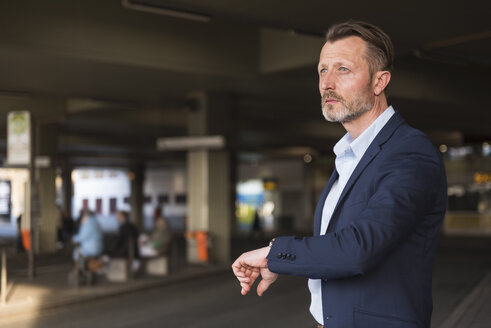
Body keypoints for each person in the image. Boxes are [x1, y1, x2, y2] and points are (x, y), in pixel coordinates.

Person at [232, 21, 447, 328]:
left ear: (379, 81)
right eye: (322, 70)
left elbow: (359, 249)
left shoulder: (409, 153)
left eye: (343, 69)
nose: (327, 83)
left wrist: (274, 254)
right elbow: (337, 245)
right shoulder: (348, 157)